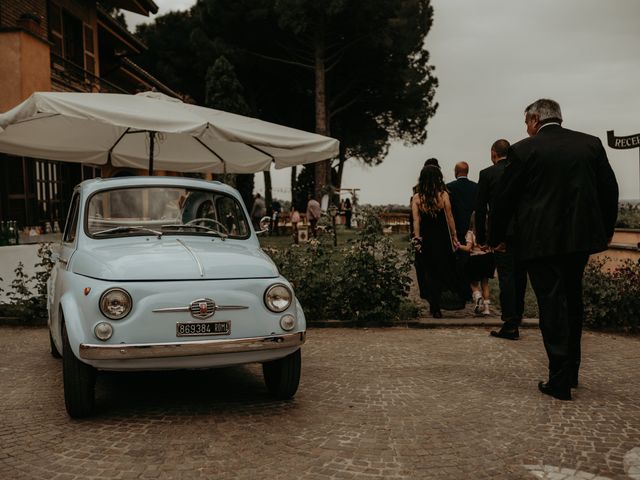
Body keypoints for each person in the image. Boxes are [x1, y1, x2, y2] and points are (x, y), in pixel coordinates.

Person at [490, 99, 618, 401]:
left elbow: (505, 198)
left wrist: (497, 236)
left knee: (551, 304)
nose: (526, 127)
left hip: (539, 242)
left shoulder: (524, 149)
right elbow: (609, 191)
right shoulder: (590, 144)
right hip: (579, 240)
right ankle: (572, 371)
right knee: (573, 300)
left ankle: (558, 381)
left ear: (535, 119)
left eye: (526, 122)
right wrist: (604, 232)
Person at [476, 139, 528, 339]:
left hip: (501, 235)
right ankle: (518, 316)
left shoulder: (487, 174)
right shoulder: (522, 171)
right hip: (523, 233)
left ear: (493, 153)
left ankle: (510, 323)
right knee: (521, 277)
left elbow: (481, 209)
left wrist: (482, 238)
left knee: (506, 277)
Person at [411, 165, 467, 318]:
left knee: (429, 272)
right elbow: (449, 218)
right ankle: (442, 301)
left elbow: (417, 220)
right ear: (438, 178)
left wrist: (417, 239)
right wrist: (454, 236)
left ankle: (434, 305)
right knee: (442, 268)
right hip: (442, 238)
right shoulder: (443, 195)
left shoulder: (417, 197)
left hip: (427, 238)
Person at [457, 214, 495, 316]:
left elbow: (468, 248)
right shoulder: (489, 232)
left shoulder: (471, 233)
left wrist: (459, 246)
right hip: (488, 259)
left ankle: (477, 295)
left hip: (475, 259)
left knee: (473, 283)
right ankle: (487, 309)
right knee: (485, 284)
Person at [446, 162, 478, 246]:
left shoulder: (449, 187)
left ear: (456, 172)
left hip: (456, 227)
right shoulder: (476, 186)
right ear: (467, 172)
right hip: (472, 228)